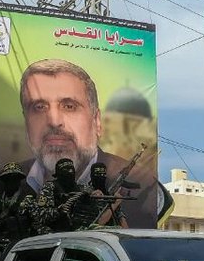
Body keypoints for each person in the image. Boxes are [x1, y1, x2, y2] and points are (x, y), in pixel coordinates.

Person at [11, 59, 157, 225]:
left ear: (97, 121)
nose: (53, 121)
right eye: (39, 107)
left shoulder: (145, 186)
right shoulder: (9, 180)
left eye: (69, 106)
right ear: (26, 121)